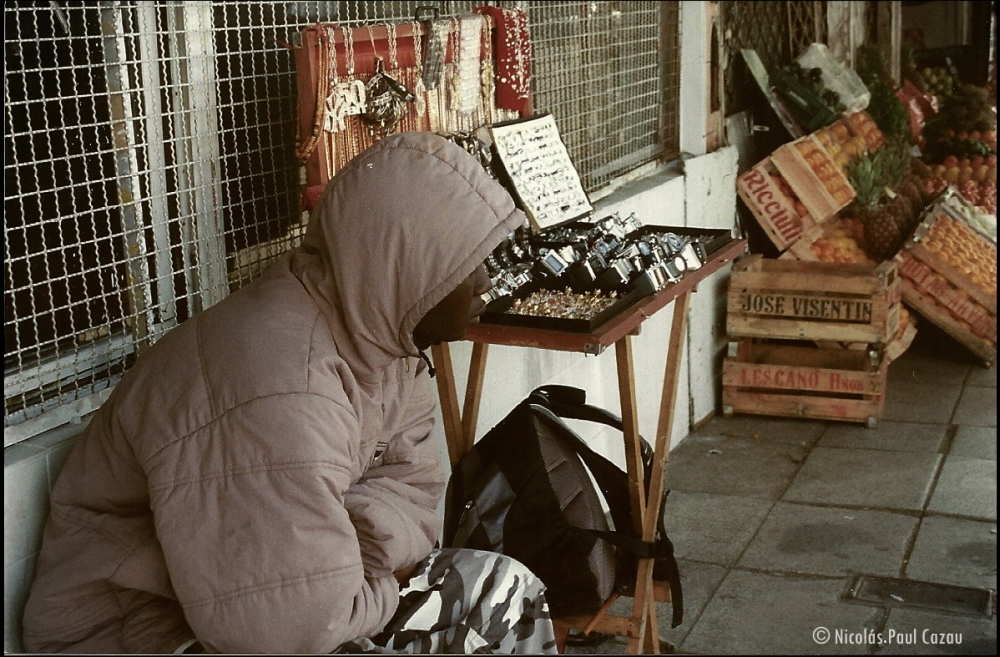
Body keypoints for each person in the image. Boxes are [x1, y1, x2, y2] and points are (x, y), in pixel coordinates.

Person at [22, 132, 559, 654]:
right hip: (138, 629)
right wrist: (366, 574)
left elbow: (416, 489)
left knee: (503, 592)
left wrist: (347, 555)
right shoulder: (280, 388)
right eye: (467, 263)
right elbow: (289, 631)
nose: (488, 280)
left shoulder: (382, 338)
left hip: (277, 601)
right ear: (406, 265)